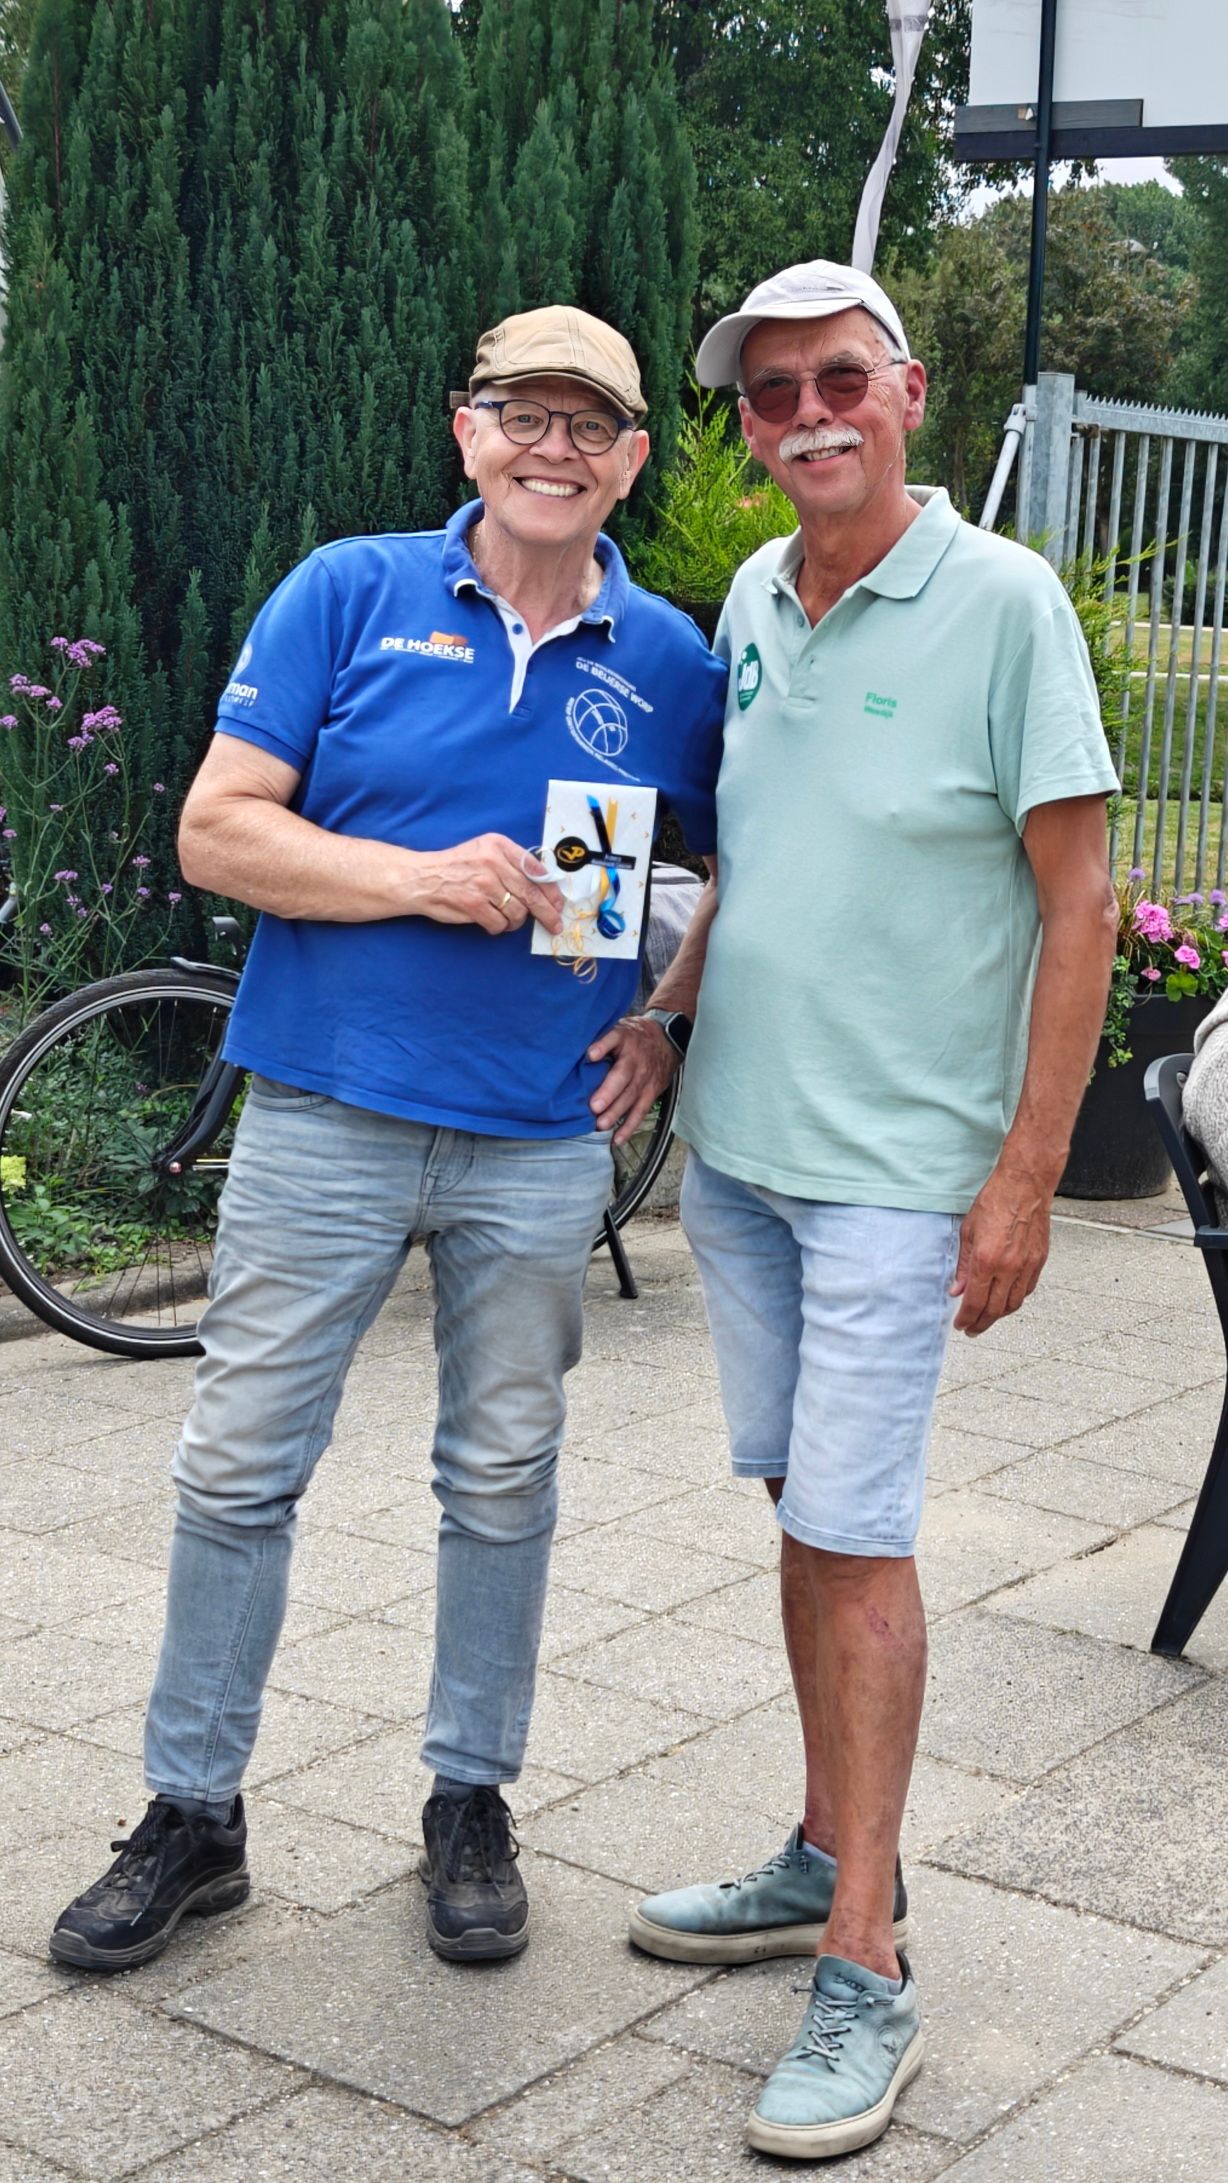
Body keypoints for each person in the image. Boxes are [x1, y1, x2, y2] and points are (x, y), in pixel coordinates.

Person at [50, 305, 725, 1974]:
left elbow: (729, 868)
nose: (554, 447)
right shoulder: (347, 592)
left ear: (633, 459)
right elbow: (218, 833)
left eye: (590, 423)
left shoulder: (673, 663)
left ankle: (470, 1800)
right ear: (466, 430)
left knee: (502, 1479)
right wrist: (421, 879)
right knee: (237, 1466)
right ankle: (192, 1814)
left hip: (536, 1136)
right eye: (523, 414)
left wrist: (667, 1014)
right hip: (324, 1112)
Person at [626, 260, 1120, 2162]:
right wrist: (673, 1018)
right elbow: (759, 859)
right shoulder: (756, 597)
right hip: (743, 1159)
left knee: (857, 1537)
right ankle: (828, 1846)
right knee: (804, 1515)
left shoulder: (1004, 601)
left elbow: (1080, 903)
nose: (808, 415)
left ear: (908, 390)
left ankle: (869, 1960)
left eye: (841, 378)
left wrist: (1028, 1177)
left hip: (899, 1182)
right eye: (771, 394)